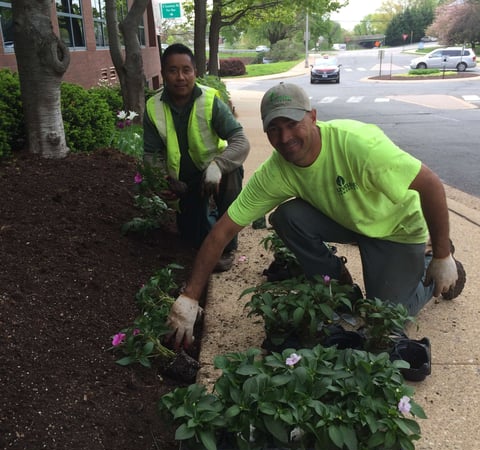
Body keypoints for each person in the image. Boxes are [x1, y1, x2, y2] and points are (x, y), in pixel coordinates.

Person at [166, 82, 466, 349]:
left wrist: (442, 254)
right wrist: (189, 298)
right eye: (273, 128)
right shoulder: (276, 171)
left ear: (312, 117)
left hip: (395, 229)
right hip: (350, 220)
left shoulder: (357, 145)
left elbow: (430, 184)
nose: (284, 137)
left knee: (383, 320)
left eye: (292, 123)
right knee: (286, 217)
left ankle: (431, 266)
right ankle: (339, 286)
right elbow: (222, 231)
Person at [143, 43, 250, 271]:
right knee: (190, 236)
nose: (180, 77)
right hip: (182, 183)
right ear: (163, 74)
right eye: (172, 70)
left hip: (214, 175)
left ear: (195, 73)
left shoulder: (210, 101)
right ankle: (200, 227)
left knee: (233, 173)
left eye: (186, 70)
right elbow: (151, 153)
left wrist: (218, 166)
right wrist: (163, 180)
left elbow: (240, 141)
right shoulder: (153, 107)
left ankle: (226, 245)